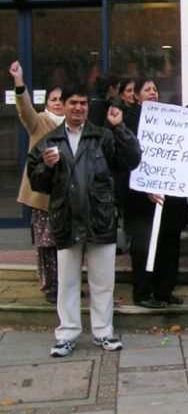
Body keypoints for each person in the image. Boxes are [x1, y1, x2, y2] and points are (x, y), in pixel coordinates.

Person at [27, 84, 141, 357]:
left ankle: (103, 331)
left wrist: (119, 128)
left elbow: (132, 159)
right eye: (73, 103)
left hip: (100, 219)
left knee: (103, 281)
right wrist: (46, 165)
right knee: (67, 281)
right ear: (63, 106)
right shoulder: (50, 140)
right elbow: (37, 181)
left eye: (83, 103)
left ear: (88, 107)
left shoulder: (102, 136)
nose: (78, 108)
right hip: (66, 218)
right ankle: (66, 334)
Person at [122, 78, 188, 308]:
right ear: (136, 95)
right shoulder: (129, 119)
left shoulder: (169, 116)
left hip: (169, 195)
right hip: (142, 198)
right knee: (144, 248)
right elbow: (128, 156)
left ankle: (165, 290)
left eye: (155, 89)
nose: (152, 92)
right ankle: (143, 293)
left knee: (169, 246)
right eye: (146, 89)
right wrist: (147, 186)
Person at [10, 61, 64, 303]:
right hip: (43, 196)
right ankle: (50, 286)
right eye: (54, 99)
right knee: (45, 243)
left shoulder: (76, 126)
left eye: (62, 99)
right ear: (47, 103)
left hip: (66, 195)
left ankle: (66, 285)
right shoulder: (40, 121)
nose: (59, 103)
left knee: (64, 243)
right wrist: (19, 83)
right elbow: (25, 110)